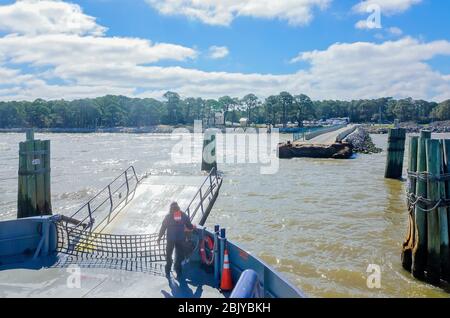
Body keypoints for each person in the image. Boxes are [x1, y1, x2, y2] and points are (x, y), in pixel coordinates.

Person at [158, 202, 194, 278]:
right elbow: (190, 226)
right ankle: (178, 272)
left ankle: (168, 270)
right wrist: (192, 227)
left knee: (169, 255)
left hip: (170, 239)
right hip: (181, 239)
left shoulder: (168, 217)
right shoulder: (183, 215)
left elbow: (163, 228)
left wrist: (159, 238)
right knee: (180, 256)